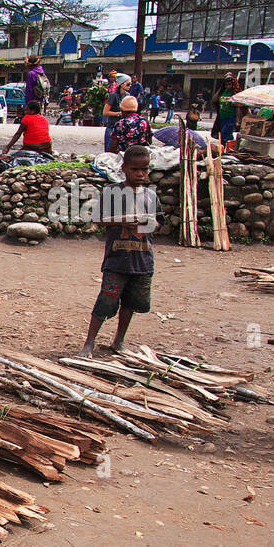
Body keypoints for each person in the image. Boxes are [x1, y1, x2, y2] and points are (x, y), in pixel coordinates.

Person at [76, 146, 158, 358]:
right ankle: (89, 343)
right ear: (124, 169)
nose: (140, 174)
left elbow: (157, 224)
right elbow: (97, 219)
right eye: (135, 169)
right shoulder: (113, 193)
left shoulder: (150, 196)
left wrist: (148, 223)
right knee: (106, 301)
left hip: (142, 261)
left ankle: (118, 341)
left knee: (131, 304)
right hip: (117, 260)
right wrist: (122, 220)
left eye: (144, 169)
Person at [210, 72, 242, 145]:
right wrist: (221, 88)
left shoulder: (234, 93)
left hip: (230, 117)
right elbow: (214, 100)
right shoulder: (223, 92)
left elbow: (238, 107)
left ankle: (228, 148)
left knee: (226, 135)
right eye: (226, 85)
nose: (228, 86)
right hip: (222, 117)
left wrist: (237, 120)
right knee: (222, 134)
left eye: (229, 84)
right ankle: (224, 148)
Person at [102, 73, 128, 151]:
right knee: (109, 152)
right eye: (128, 83)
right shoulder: (113, 95)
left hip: (123, 128)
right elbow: (105, 112)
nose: (130, 85)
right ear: (122, 84)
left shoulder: (128, 96)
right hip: (112, 127)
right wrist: (119, 114)